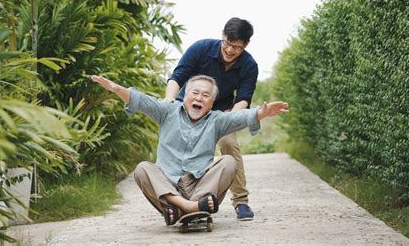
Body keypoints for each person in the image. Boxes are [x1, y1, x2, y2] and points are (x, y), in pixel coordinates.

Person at [91, 74, 288, 226]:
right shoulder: (167, 111)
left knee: (229, 161)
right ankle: (190, 208)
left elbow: (242, 117)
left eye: (206, 95)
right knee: (143, 168)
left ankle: (180, 210)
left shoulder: (217, 120)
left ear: (212, 103)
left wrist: (263, 113)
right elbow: (142, 101)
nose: (199, 98)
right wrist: (116, 89)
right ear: (184, 96)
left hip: (201, 188)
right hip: (169, 186)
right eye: (195, 93)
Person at [165, 17, 259, 220]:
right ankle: (175, 202)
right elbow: (177, 76)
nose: (230, 50)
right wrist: (169, 100)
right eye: (227, 43)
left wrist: (228, 121)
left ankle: (241, 202)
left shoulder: (249, 65)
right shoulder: (200, 49)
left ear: (246, 45)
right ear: (222, 34)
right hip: (190, 108)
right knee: (178, 149)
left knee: (229, 143)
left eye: (237, 47)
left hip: (223, 112)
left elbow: (243, 100)